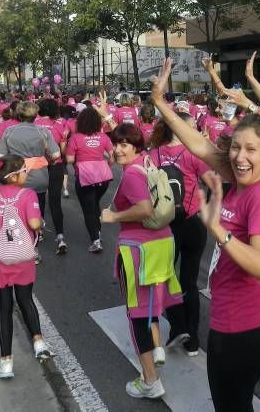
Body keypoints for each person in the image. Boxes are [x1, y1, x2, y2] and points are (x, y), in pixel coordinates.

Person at [152, 58, 260, 412]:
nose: (240, 157)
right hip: (235, 314)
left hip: (246, 322)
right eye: (235, 147)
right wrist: (160, 103)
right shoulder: (239, 175)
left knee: (232, 406)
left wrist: (218, 231)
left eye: (251, 149)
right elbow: (198, 144)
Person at [100, 123, 183, 399]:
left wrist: (113, 217)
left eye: (124, 144)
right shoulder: (146, 162)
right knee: (151, 305)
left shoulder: (131, 176)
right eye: (116, 143)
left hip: (138, 250)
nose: (118, 149)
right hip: (161, 243)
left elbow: (144, 208)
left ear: (136, 146)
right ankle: (157, 349)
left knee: (136, 315)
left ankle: (150, 380)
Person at [0, 155, 52, 379]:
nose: (28, 173)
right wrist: (41, 224)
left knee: (4, 309)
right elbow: (35, 223)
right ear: (13, 176)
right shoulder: (28, 195)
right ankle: (39, 343)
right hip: (23, 259)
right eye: (24, 170)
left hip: (0, 262)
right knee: (26, 299)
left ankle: (6, 363)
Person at [149, 111, 216, 357]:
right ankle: (193, 339)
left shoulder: (152, 154)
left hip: (164, 226)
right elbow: (213, 183)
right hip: (192, 222)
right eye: (192, 129)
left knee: (166, 277)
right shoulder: (193, 155)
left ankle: (177, 327)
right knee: (189, 280)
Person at [0, 101, 60, 222]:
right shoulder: (43, 131)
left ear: (19, 115)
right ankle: (37, 230)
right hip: (39, 175)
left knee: (18, 207)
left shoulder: (9, 131)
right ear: (35, 115)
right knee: (38, 205)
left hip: (16, 175)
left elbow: (0, 157)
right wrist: (48, 160)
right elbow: (56, 154)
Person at [66, 107, 114, 252]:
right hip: (103, 178)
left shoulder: (75, 137)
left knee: (88, 209)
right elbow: (112, 157)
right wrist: (104, 164)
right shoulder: (104, 136)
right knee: (95, 204)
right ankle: (97, 233)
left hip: (84, 177)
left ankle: (96, 241)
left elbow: (69, 159)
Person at [35, 98, 69, 254]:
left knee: (38, 200)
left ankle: (38, 232)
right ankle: (60, 236)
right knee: (55, 201)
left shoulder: (33, 125)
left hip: (37, 166)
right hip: (55, 166)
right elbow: (62, 150)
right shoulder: (59, 125)